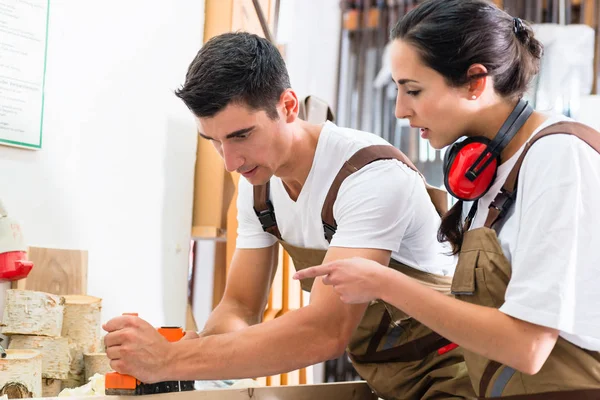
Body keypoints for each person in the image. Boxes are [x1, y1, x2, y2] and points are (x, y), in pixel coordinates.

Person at [102, 32, 476, 399]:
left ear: (288, 106)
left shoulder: (370, 176)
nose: (230, 162)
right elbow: (239, 306)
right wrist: (205, 367)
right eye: (214, 141)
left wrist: (172, 359)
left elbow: (326, 331)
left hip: (460, 377)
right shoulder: (257, 187)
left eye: (241, 135)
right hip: (389, 381)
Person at [294, 0, 600, 398]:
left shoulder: (558, 157)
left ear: (475, 82)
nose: (402, 110)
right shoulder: (487, 171)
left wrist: (386, 284)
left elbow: (527, 346)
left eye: (414, 90)